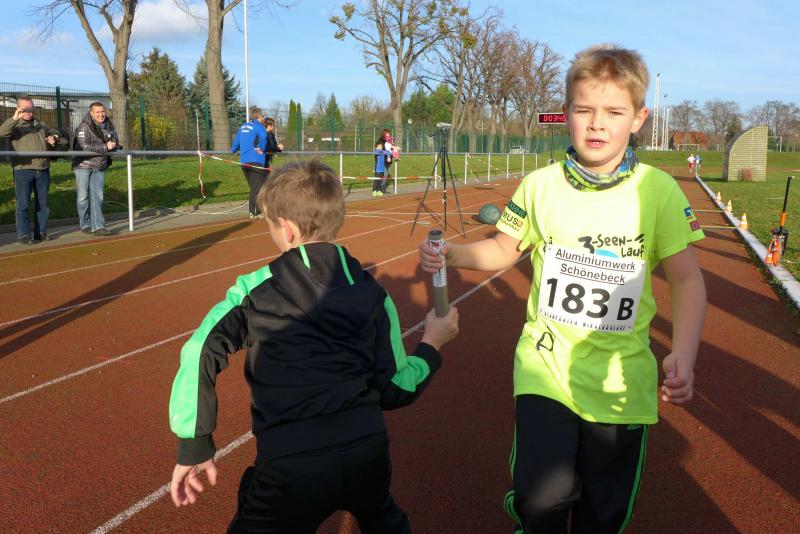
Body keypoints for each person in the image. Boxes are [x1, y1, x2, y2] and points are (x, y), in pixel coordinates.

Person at [419, 44, 706, 533]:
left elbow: (687, 279)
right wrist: (455, 255)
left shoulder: (659, 191)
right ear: (567, 112)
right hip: (545, 369)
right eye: (583, 110)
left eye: (613, 112)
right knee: (540, 500)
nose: (597, 124)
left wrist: (684, 352)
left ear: (639, 118)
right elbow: (503, 248)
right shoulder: (540, 186)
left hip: (620, 382)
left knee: (603, 513)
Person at [169, 159, 459, 533]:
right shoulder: (374, 293)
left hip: (291, 465)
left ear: (287, 230)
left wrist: (194, 444)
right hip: (367, 451)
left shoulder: (254, 291)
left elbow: (200, 350)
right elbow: (395, 388)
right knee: (382, 518)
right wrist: (432, 343)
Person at [0, 96, 68, 244]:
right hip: (23, 170)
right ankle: (24, 234)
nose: (29, 111)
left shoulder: (41, 125)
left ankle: (40, 232)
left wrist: (52, 141)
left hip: (43, 168)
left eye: (31, 108)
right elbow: (2, 133)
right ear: (18, 108)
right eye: (25, 108)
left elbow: (53, 139)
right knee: (23, 204)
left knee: (43, 204)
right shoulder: (15, 125)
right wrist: (15, 118)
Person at [72, 101, 120, 236]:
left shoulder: (109, 125)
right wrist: (105, 147)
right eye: (97, 112)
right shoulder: (84, 126)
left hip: (99, 165)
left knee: (98, 197)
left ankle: (98, 226)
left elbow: (115, 141)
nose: (101, 114)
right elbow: (85, 146)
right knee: (83, 197)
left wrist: (114, 145)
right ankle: (85, 223)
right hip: (83, 165)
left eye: (103, 111)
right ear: (91, 113)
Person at [231, 107, 268, 219]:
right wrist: (261, 148)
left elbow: (237, 141)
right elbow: (264, 137)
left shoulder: (243, 126)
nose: (263, 118)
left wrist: (233, 150)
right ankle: (254, 212)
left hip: (244, 162)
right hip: (256, 161)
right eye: (262, 116)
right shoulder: (259, 127)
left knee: (253, 187)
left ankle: (254, 210)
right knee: (257, 188)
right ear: (259, 116)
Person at [263, 117, 283, 182]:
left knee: (268, 176)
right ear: (269, 126)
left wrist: (278, 148)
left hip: (268, 158)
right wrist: (278, 148)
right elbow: (269, 147)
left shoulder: (271, 134)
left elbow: (274, 146)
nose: (274, 127)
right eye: (273, 125)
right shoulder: (265, 134)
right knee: (265, 177)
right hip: (263, 159)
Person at [378, 128, 393, 193]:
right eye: (386, 133)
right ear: (383, 134)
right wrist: (387, 152)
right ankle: (379, 188)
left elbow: (391, 149)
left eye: (388, 133)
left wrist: (394, 149)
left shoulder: (389, 141)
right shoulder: (380, 141)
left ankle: (382, 188)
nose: (388, 134)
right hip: (382, 160)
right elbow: (379, 150)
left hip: (388, 160)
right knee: (382, 174)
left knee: (385, 175)